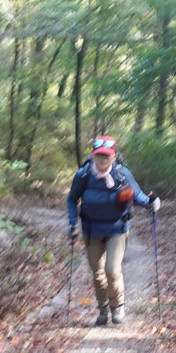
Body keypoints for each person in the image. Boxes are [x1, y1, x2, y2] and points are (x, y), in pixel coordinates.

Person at [67, 136, 158, 326]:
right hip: (91, 230)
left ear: (114, 156)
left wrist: (151, 203)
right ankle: (103, 309)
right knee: (97, 273)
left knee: (112, 269)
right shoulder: (83, 176)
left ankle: (117, 306)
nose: (103, 159)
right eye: (99, 155)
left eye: (107, 155)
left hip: (117, 228)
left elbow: (137, 196)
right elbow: (72, 199)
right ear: (93, 155)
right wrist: (72, 223)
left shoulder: (122, 174)